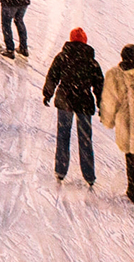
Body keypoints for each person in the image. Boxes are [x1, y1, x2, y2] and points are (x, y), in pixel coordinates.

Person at [43, 27, 104, 186]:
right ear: (85, 41)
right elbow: (99, 85)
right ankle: (89, 176)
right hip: (83, 101)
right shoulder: (91, 61)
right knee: (85, 139)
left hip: (65, 100)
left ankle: (60, 171)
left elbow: (53, 75)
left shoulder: (62, 57)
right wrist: (101, 104)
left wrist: (48, 93)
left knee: (63, 135)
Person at [100, 44, 134, 203]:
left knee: (130, 156)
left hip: (125, 123)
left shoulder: (114, 74)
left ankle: (133, 189)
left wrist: (108, 119)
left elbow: (109, 100)